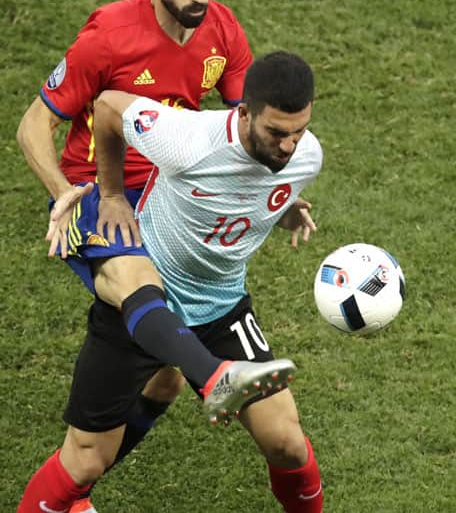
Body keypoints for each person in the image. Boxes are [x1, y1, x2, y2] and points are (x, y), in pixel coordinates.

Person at [16, 0, 253, 513]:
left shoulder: (222, 31)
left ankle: (76, 489)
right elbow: (32, 125)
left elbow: (246, 127)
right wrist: (63, 190)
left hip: (170, 194)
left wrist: (280, 182)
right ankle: (215, 376)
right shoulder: (109, 37)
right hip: (97, 192)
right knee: (133, 280)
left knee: (162, 375)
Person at [18, 51, 324, 512]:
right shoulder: (187, 138)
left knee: (287, 443)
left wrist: (279, 210)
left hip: (222, 309)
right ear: (243, 113)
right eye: (276, 133)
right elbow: (107, 106)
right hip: (142, 303)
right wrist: (113, 193)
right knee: (84, 462)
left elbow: (248, 192)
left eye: (298, 132)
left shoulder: (306, 158)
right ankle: (212, 376)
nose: (287, 147)